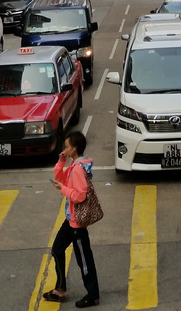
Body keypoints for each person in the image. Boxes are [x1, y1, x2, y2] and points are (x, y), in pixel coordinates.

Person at [45, 131, 100, 307]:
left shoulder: (78, 169)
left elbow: (80, 196)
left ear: (74, 148)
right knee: (57, 249)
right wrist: (61, 161)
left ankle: (93, 295)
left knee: (84, 259)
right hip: (70, 220)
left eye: (67, 146)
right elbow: (59, 178)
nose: (65, 149)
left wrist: (63, 189)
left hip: (77, 223)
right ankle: (60, 289)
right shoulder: (73, 164)